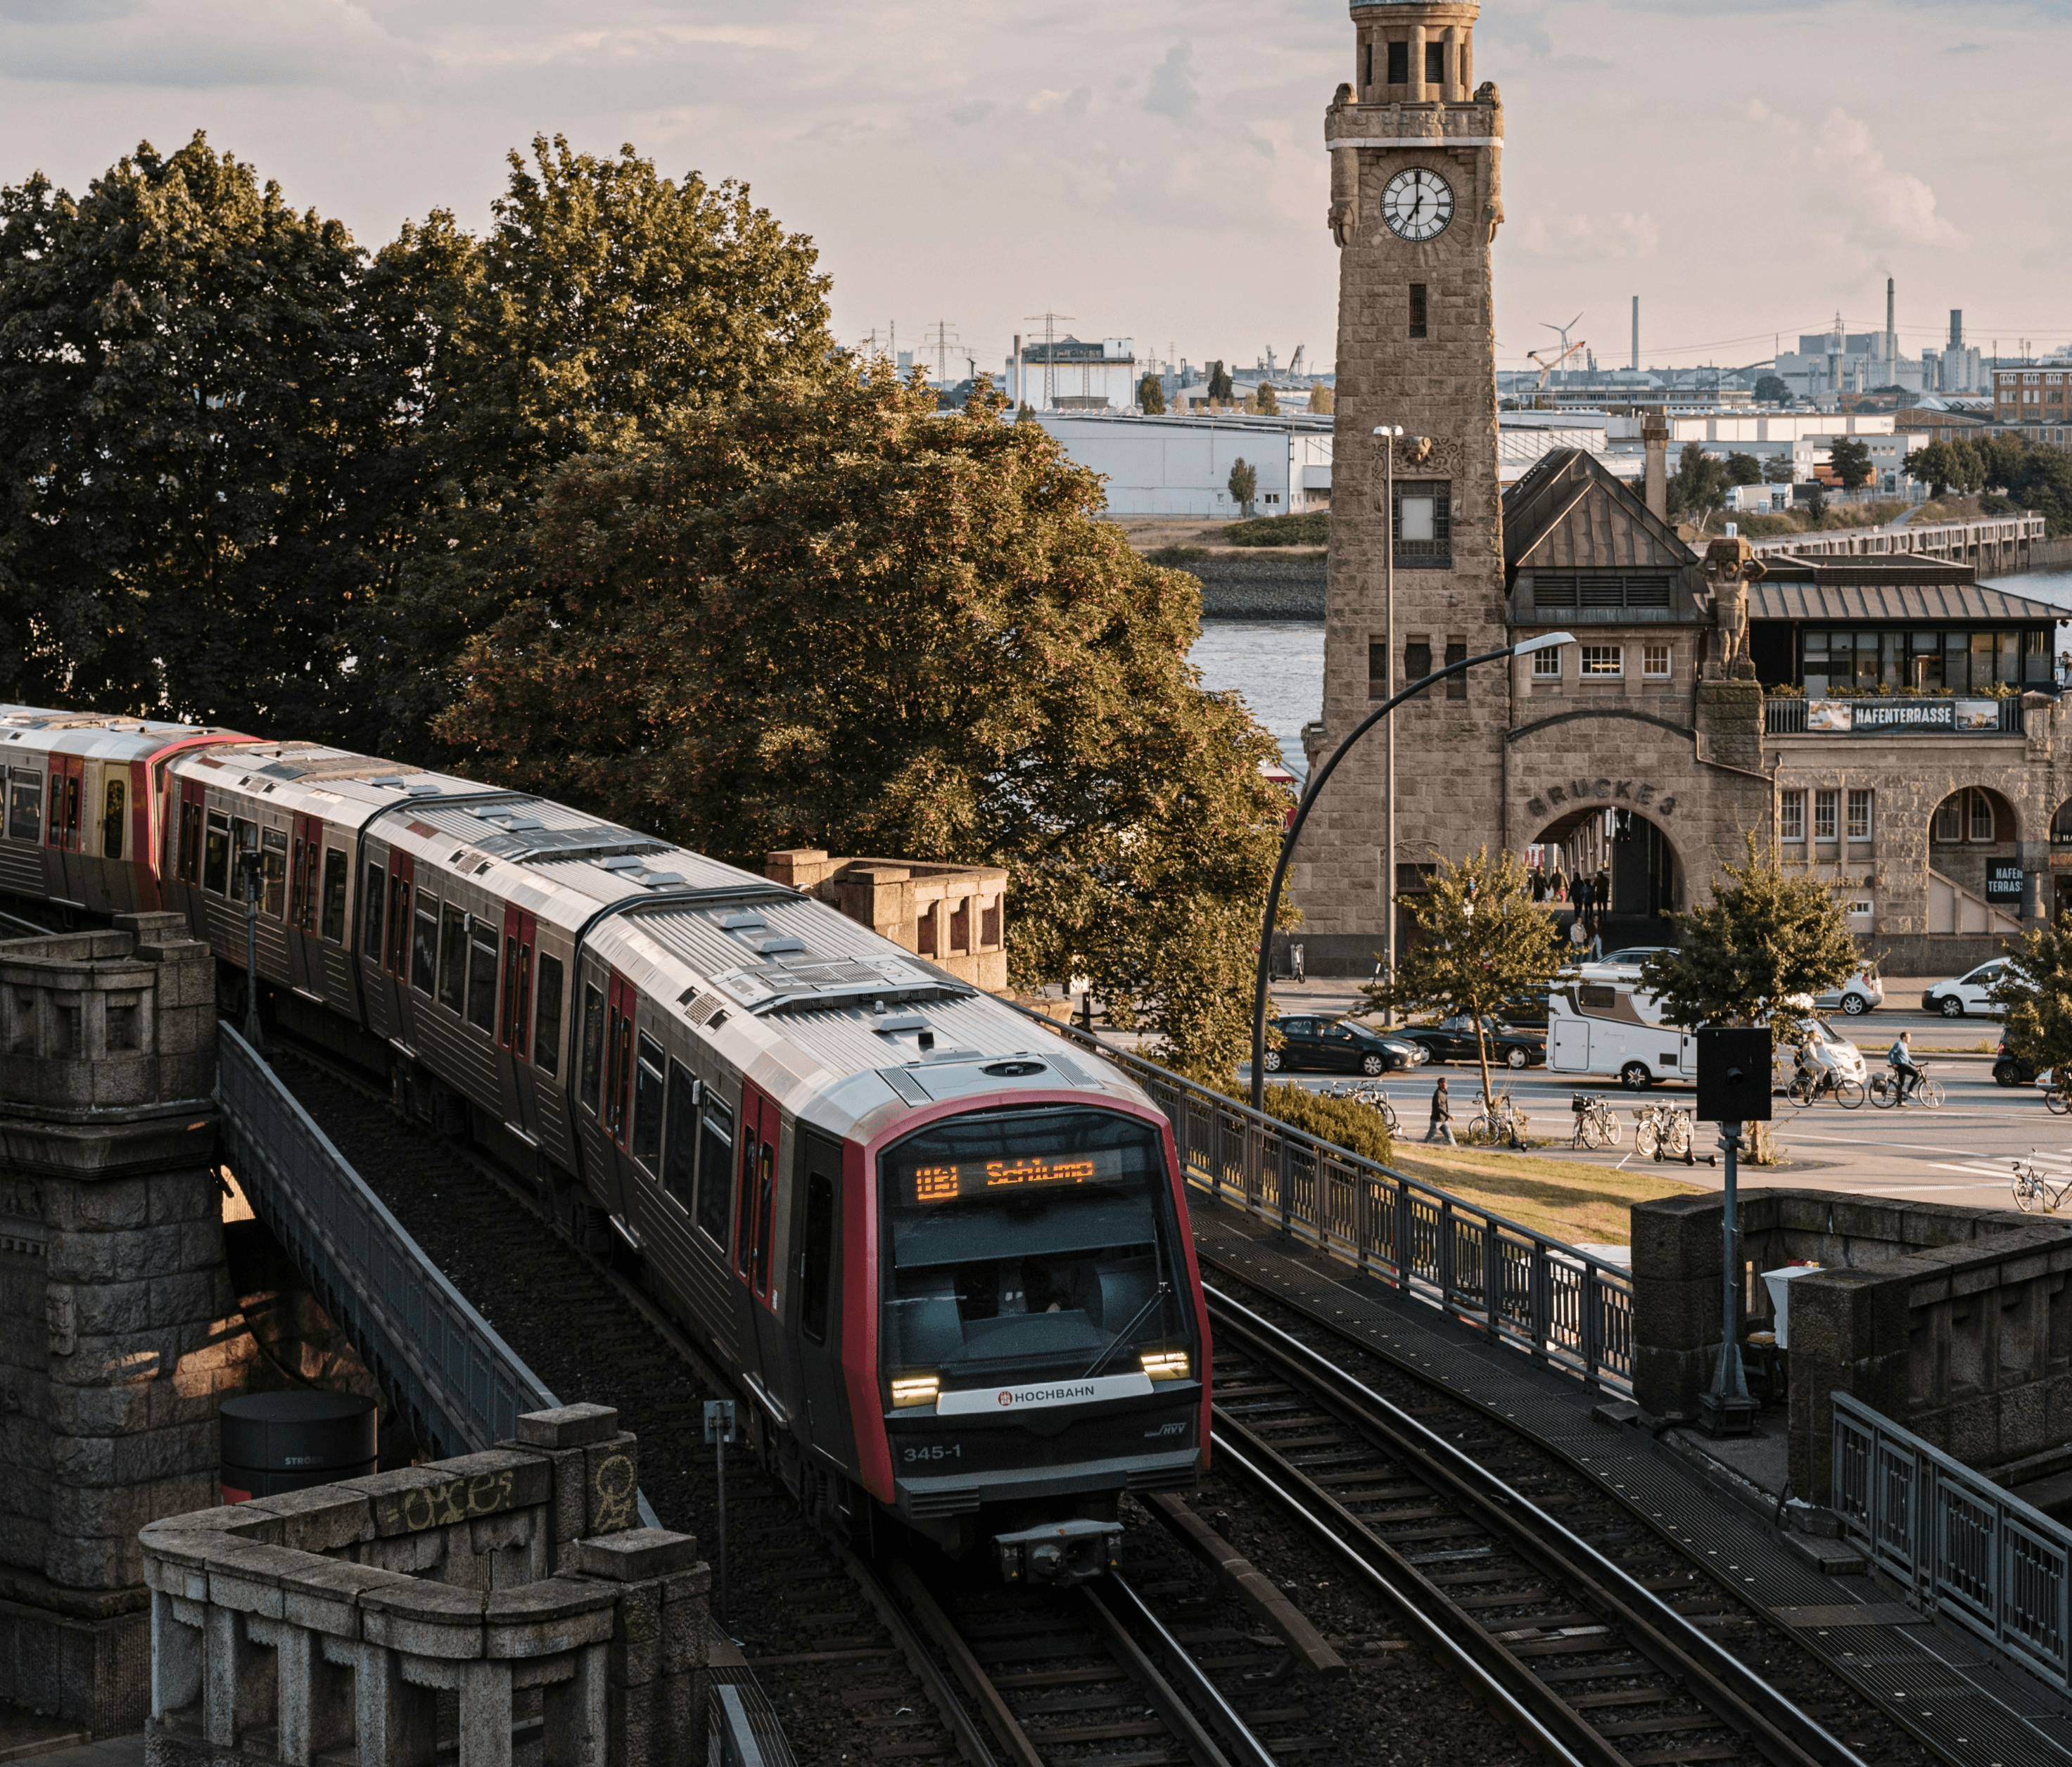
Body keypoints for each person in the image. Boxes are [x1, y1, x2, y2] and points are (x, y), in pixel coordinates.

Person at [1888, 1030, 1924, 1104]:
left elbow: (1907, 1057)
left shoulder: (1904, 1045)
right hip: (1901, 1065)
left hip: (1903, 1064)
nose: (1910, 1039)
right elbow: (1890, 1053)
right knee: (1916, 1074)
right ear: (1904, 1038)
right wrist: (1893, 1063)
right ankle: (1910, 1091)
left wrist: (1914, 1064)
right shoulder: (1899, 1044)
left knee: (1901, 1084)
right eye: (1909, 1037)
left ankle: (1899, 1102)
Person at [1424, 1076, 1456, 1145]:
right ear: (1440, 1084)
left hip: (1444, 1120)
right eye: (1444, 1084)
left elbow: (1444, 1106)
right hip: (1437, 1120)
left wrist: (1446, 1117)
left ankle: (1456, 1149)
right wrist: (1449, 1115)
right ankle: (1422, 1147)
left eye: (1446, 1084)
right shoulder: (1438, 1094)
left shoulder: (1444, 1092)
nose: (1446, 1085)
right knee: (1430, 1137)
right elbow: (1439, 1107)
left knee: (1450, 1137)